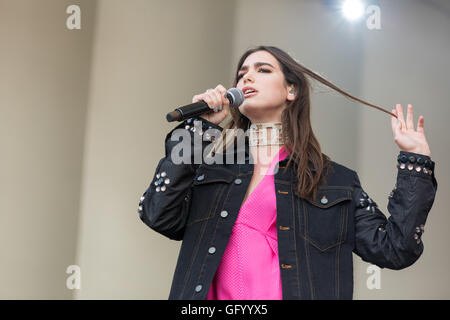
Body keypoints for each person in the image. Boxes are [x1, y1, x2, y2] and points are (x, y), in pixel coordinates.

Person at [138, 45, 437, 300]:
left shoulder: (334, 181)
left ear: (291, 89)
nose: (247, 77)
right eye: (242, 73)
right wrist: (201, 127)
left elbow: (395, 248)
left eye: (263, 69)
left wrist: (416, 162)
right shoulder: (212, 168)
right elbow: (158, 213)